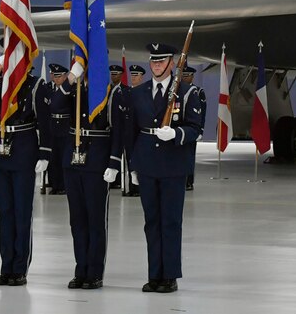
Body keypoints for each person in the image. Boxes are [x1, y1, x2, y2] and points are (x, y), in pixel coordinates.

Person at [126, 43, 203, 294]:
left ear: (172, 63)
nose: (157, 66)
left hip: (172, 164)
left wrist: (176, 133)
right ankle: (154, 274)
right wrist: (133, 165)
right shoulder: (139, 92)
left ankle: (169, 275)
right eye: (153, 61)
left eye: (162, 61)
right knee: (151, 222)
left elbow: (196, 129)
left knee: (170, 221)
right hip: (147, 163)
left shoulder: (187, 92)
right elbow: (132, 133)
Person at [0, 55, 50, 287]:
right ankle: (6, 266)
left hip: (22, 150)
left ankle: (19, 268)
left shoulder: (35, 84)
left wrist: (44, 152)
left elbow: (44, 120)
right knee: (5, 212)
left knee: (21, 213)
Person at [62, 70, 125, 290]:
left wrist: (114, 162)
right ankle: (81, 269)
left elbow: (119, 130)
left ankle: (94, 272)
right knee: (77, 220)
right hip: (73, 160)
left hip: (97, 161)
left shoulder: (112, 93)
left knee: (95, 220)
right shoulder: (74, 89)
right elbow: (55, 105)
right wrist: (71, 77)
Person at [47, 63, 73, 196]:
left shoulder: (70, 89)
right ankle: (54, 184)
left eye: (59, 76)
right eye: (55, 76)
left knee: (64, 157)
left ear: (65, 76)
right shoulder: (48, 89)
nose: (57, 79)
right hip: (52, 126)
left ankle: (63, 185)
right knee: (53, 158)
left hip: (65, 125)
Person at [181, 66, 206, 191]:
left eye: (187, 75)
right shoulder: (177, 89)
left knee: (190, 156)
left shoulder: (198, 91)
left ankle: (189, 181)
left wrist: (200, 130)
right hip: (180, 129)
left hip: (192, 128)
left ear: (192, 76)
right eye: (183, 75)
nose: (185, 77)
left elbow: (202, 111)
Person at [122, 64, 145, 197]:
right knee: (129, 159)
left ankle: (139, 187)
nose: (133, 77)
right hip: (128, 132)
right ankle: (130, 186)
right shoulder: (126, 92)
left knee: (140, 160)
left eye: (136, 75)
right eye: (132, 75)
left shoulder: (144, 93)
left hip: (140, 132)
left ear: (141, 77)